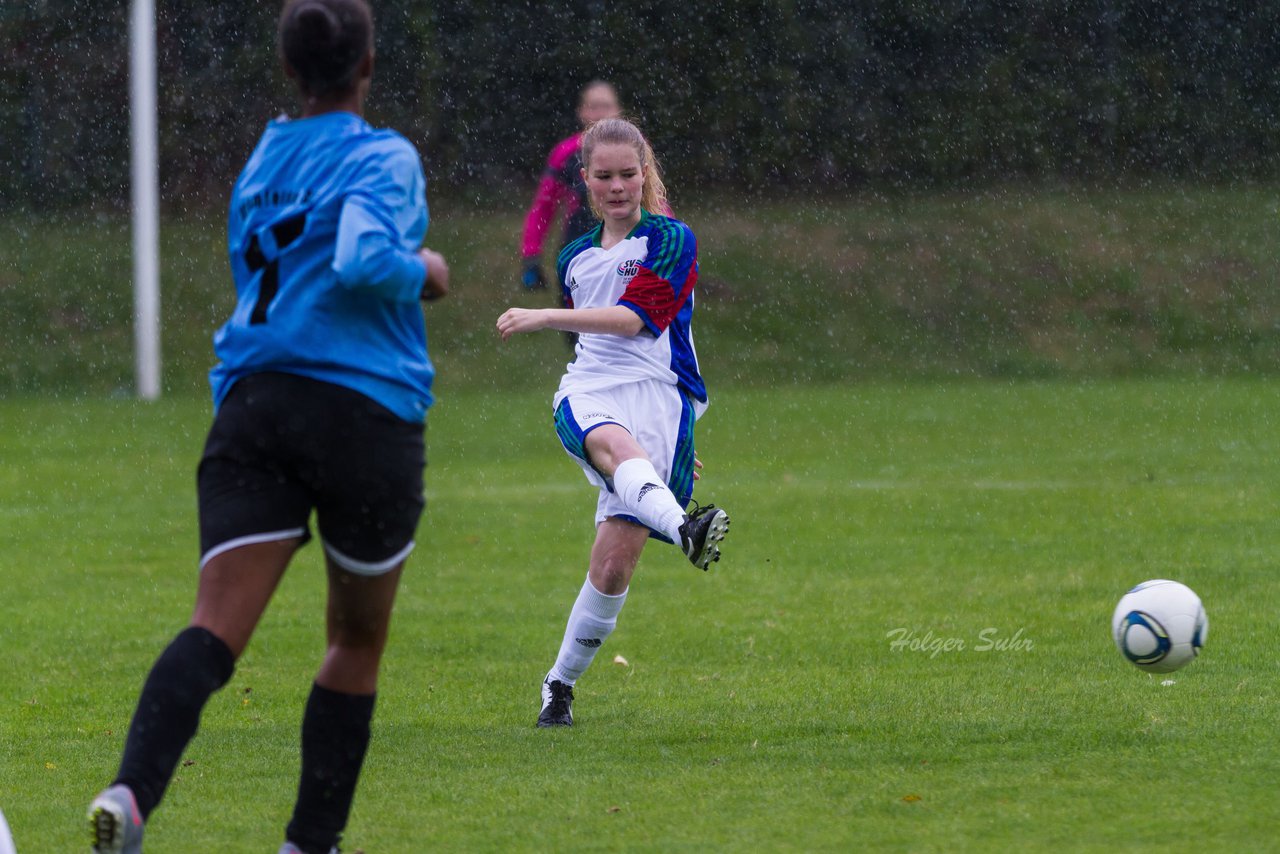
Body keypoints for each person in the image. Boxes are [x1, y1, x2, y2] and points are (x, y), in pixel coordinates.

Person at [86, 2, 449, 852]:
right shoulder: (381, 154)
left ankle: (132, 794)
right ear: (367, 67)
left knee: (215, 625)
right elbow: (363, 259)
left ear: (290, 71)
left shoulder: (262, 158)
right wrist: (425, 270)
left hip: (255, 405)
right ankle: (307, 843)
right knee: (355, 638)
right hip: (364, 410)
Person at [497, 117, 730, 728]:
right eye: (605, 176)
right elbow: (592, 342)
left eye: (629, 174)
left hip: (660, 399)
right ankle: (687, 529)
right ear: (586, 182)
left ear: (645, 174)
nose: (618, 186)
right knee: (611, 444)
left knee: (612, 567)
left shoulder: (673, 240)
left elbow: (635, 323)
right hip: (589, 392)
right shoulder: (574, 255)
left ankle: (558, 686)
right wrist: (558, 318)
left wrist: (543, 317)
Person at [518, 80, 621, 293]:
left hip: (626, 250)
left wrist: (673, 244)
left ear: (618, 111)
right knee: (577, 323)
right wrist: (531, 254)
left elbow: (655, 199)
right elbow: (543, 207)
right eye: (594, 107)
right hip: (578, 250)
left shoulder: (636, 149)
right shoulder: (565, 153)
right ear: (582, 112)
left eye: (606, 106)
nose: (601, 113)